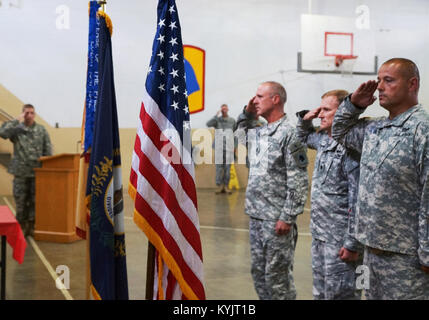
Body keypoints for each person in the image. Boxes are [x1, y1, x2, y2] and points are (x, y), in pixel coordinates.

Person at [331, 58, 429, 299]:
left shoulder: (422, 130)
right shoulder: (374, 130)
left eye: (389, 80)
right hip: (371, 251)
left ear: (412, 84)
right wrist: (353, 105)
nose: (380, 87)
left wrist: (427, 253)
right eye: (379, 80)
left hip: (407, 258)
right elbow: (340, 131)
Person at [237, 81, 308, 300]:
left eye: (259, 96)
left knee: (277, 280)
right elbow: (239, 136)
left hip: (277, 220)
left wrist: (287, 217)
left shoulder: (290, 133)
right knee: (259, 275)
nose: (254, 100)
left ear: (275, 99)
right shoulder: (260, 132)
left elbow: (298, 179)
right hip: (257, 217)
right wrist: (247, 114)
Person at [296, 90, 362, 300]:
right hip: (320, 234)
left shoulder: (351, 148)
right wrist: (305, 119)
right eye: (320, 109)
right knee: (321, 293)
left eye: (326, 109)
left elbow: (358, 198)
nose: (321, 114)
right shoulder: (324, 140)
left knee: (340, 295)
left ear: (342, 113)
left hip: (340, 240)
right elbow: (303, 137)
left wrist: (352, 243)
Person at [0, 104, 52, 237]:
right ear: (23, 114)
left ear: (35, 114)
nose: (29, 115)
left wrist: (47, 169)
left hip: (37, 172)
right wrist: (17, 119)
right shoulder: (16, 129)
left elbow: (48, 151)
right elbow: (3, 132)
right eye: (27, 113)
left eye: (32, 113)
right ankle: (21, 226)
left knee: (35, 200)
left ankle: (32, 225)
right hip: (21, 172)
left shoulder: (41, 130)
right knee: (20, 200)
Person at [206, 104, 236, 194]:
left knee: (227, 168)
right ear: (221, 110)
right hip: (219, 147)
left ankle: (226, 187)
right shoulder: (217, 120)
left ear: (228, 109)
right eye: (222, 108)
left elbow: (236, 134)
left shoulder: (232, 121)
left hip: (229, 148)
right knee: (219, 168)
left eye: (225, 108)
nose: (224, 109)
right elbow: (208, 124)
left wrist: (235, 146)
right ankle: (219, 187)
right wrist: (216, 116)